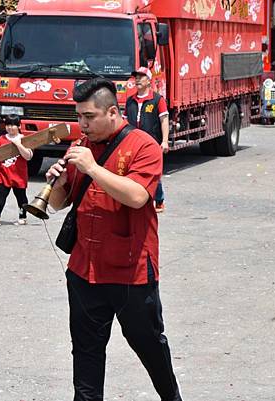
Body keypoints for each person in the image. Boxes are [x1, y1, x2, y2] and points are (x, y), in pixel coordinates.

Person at [45, 78, 183, 401]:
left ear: (112, 112)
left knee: (149, 346)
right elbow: (57, 204)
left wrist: (92, 168)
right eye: (78, 116)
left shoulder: (144, 146)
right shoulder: (80, 146)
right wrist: (59, 182)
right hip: (84, 271)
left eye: (89, 117)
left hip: (130, 273)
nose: (82, 124)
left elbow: (137, 196)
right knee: (86, 356)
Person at [125, 67, 170, 213]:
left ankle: (159, 200)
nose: (137, 79)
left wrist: (164, 141)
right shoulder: (130, 101)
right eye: (136, 77)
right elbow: (124, 122)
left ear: (148, 80)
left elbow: (164, 120)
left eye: (141, 77)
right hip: (132, 142)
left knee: (153, 173)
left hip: (151, 143)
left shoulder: (157, 100)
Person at [0, 114, 32, 228]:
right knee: (0, 195)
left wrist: (19, 145)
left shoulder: (24, 138)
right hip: (4, 173)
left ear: (19, 126)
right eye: (8, 125)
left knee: (21, 196)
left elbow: (28, 156)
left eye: (13, 125)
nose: (10, 127)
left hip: (19, 174)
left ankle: (23, 217)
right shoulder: (1, 139)